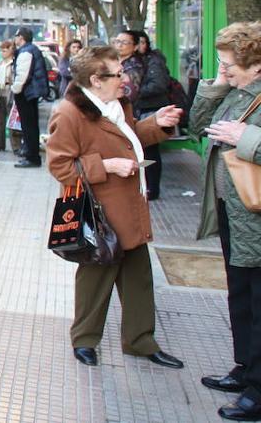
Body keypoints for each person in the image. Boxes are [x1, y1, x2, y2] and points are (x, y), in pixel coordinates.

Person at [46, 44, 183, 370]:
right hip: (100, 214)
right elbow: (61, 167)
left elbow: (128, 137)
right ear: (96, 79)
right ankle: (84, 340)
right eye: (118, 73)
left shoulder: (117, 104)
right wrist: (107, 166)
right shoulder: (69, 113)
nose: (125, 78)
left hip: (130, 206)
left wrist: (156, 124)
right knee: (95, 279)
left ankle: (140, 341)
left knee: (139, 280)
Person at [192, 22, 261, 421]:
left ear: (256, 65)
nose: (225, 68)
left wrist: (245, 137)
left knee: (257, 300)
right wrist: (218, 81)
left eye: (231, 63)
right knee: (240, 294)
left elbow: (239, 138)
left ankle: (259, 388)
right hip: (233, 209)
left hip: (254, 212)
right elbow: (199, 123)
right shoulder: (237, 92)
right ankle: (246, 368)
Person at [131, 29, 173, 200]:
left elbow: (159, 85)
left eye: (143, 42)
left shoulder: (153, 61)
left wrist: (135, 92)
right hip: (140, 109)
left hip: (152, 108)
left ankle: (153, 188)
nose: (140, 46)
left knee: (151, 150)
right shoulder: (135, 63)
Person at [11, 27, 49, 167]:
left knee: (28, 127)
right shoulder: (32, 49)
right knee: (31, 125)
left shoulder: (25, 51)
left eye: (16, 36)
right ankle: (32, 155)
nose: (15, 39)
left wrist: (15, 89)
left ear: (21, 37)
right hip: (32, 93)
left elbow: (22, 75)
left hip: (26, 93)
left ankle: (32, 157)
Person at [0, 40, 17, 153]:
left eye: (5, 50)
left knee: (12, 120)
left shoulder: (14, 63)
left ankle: (15, 145)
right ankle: (0, 144)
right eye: (1, 50)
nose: (2, 53)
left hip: (11, 94)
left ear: (11, 50)